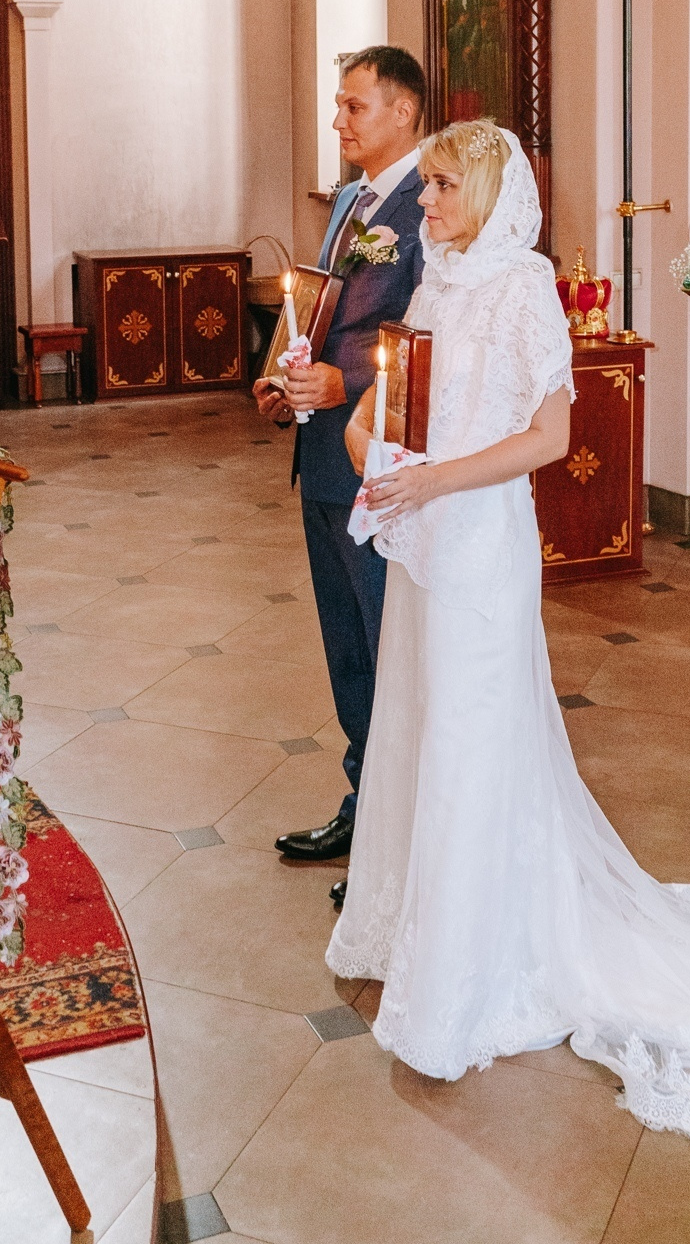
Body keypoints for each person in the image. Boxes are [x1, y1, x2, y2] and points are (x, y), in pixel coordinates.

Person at [327, 119, 690, 1144]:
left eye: (443, 186)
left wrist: (436, 477)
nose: (426, 202)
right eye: (427, 189)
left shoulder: (520, 287)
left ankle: (472, 970)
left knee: (471, 733)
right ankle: (406, 927)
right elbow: (398, 389)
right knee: (418, 722)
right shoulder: (441, 278)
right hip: (422, 536)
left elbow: (547, 434)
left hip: (476, 542)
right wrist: (367, 433)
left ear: (493, 191)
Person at [253, 47, 426, 906]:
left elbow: (420, 340)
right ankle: (365, 801)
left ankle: (399, 829)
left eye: (353, 106)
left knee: (388, 639)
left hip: (375, 457)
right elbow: (317, 312)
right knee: (345, 643)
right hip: (320, 454)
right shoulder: (353, 202)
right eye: (338, 105)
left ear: (402, 111)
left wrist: (347, 385)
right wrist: (279, 373)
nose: (339, 121)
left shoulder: (427, 206)